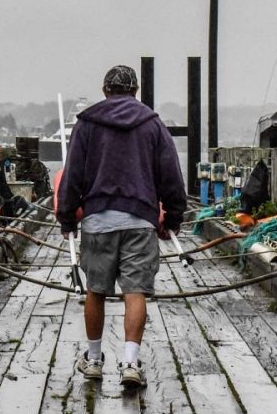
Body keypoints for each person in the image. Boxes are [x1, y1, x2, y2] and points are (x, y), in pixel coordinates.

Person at [55, 64, 188, 388]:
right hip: (140, 220)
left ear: (105, 91)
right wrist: (172, 218)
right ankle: (130, 362)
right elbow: (171, 175)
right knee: (135, 291)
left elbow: (72, 175)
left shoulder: (86, 123)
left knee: (95, 291)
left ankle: (95, 359)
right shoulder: (152, 124)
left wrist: (67, 216)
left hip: (98, 220)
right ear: (135, 91)